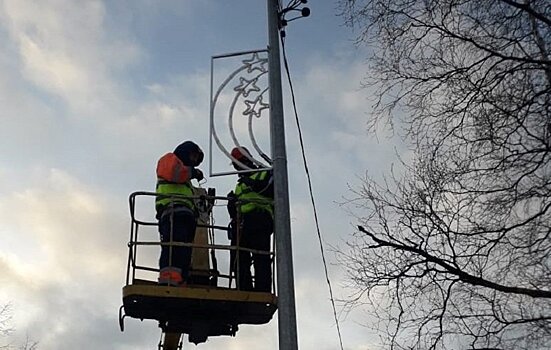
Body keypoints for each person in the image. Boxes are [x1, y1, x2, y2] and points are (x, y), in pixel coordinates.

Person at [155, 141, 204, 286]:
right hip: (172, 211)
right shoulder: (169, 160)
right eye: (193, 156)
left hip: (185, 214)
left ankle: (181, 278)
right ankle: (168, 278)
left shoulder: (186, 180)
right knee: (173, 245)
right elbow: (173, 173)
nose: (194, 161)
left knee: (184, 248)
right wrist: (193, 172)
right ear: (185, 152)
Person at [227, 146, 274, 292]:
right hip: (243, 223)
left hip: (260, 219)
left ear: (248, 160)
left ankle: (262, 290)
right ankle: (244, 288)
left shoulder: (264, 173)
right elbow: (237, 210)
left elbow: (270, 189)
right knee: (239, 257)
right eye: (236, 164)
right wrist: (232, 204)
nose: (237, 167)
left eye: (239, 162)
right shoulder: (240, 185)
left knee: (261, 258)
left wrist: (252, 183)